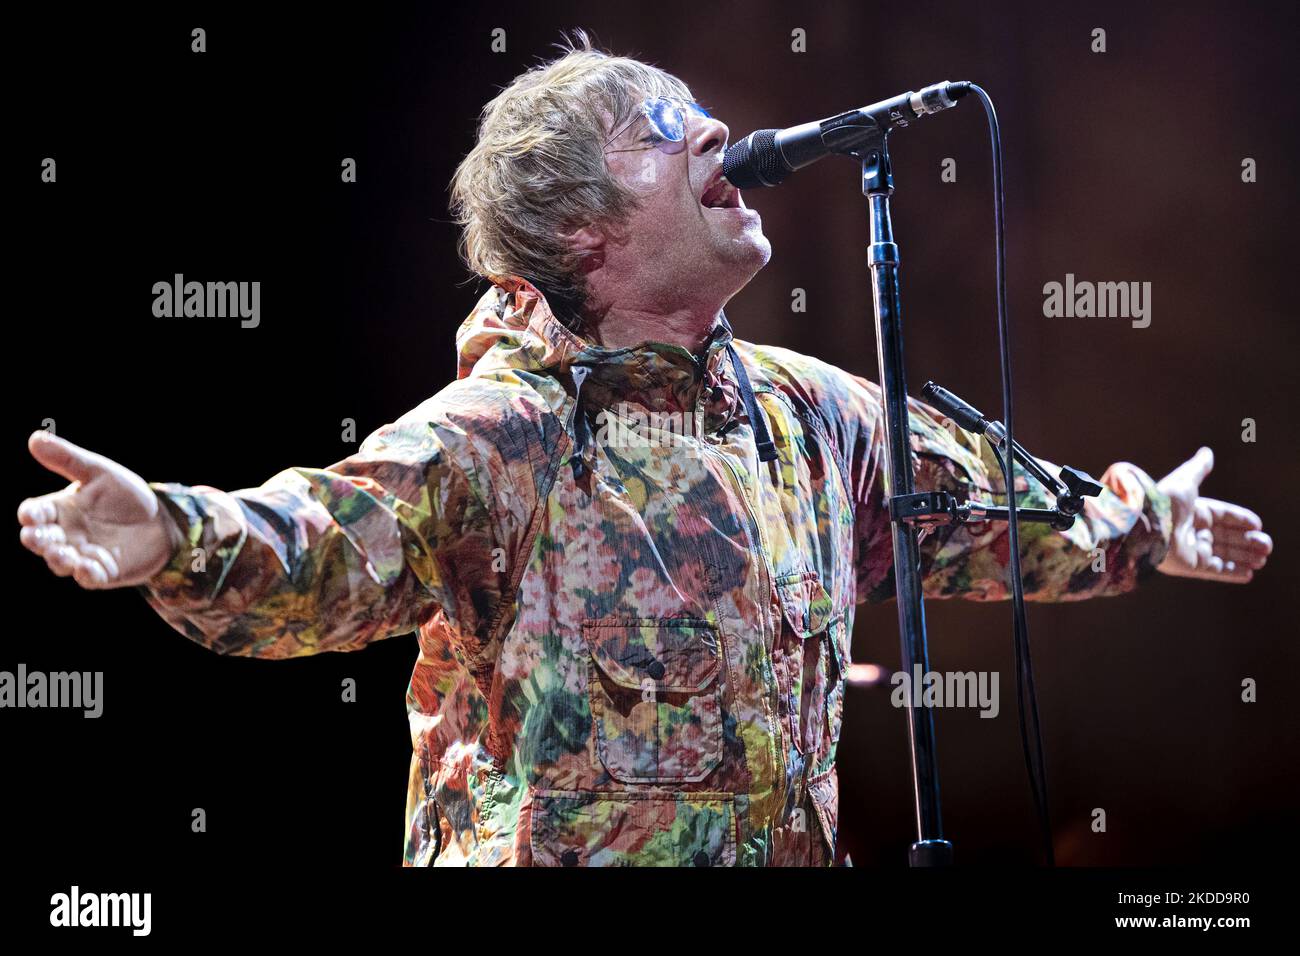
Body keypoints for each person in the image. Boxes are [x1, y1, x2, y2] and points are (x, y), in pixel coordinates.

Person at [16, 33, 1272, 866]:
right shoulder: (505, 433)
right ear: (579, 227)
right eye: (660, 123)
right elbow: (320, 540)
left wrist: (1143, 521)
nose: (714, 126)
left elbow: (984, 514)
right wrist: (175, 534)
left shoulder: (810, 415)